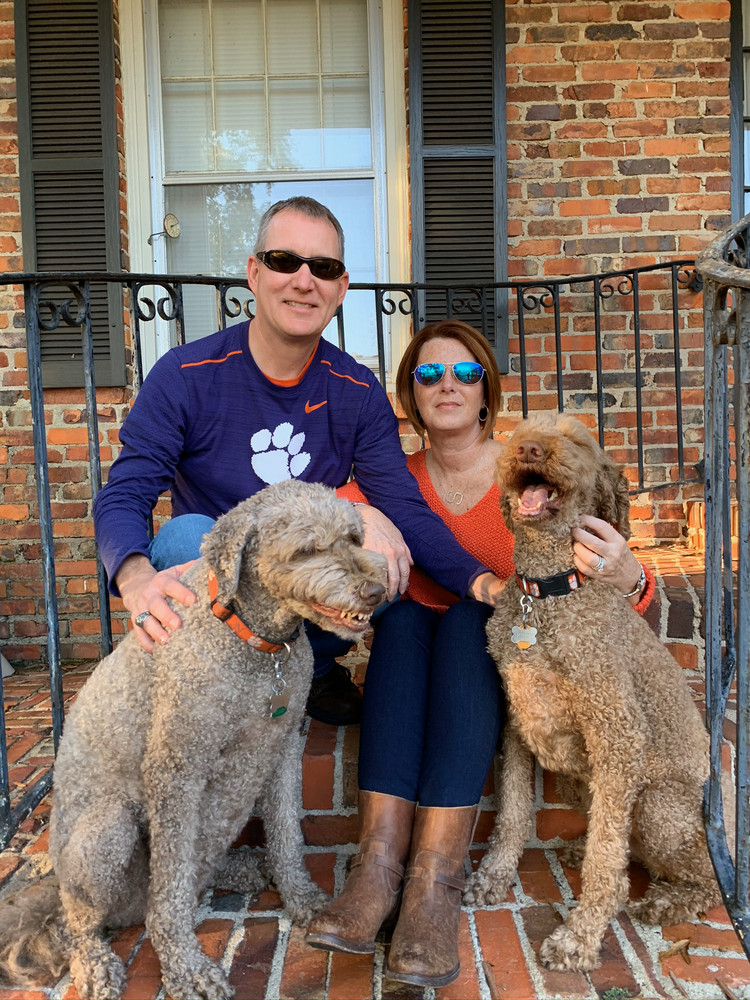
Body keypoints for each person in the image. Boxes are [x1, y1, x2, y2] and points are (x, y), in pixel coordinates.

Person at [305, 319, 654, 987]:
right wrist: (361, 513)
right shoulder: (390, 476)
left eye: (465, 373)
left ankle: (434, 883)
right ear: (409, 395)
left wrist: (631, 576)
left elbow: (619, 584)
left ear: (487, 390)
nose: (448, 386)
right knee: (405, 621)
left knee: (469, 621)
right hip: (411, 660)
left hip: (496, 661)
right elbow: (322, 515)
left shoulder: (530, 472)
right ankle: (377, 869)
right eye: (429, 374)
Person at [92, 197, 506, 725]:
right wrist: (133, 579)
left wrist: (482, 582)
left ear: (341, 288)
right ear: (254, 273)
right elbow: (126, 490)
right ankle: (228, 680)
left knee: (380, 556)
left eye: (324, 268)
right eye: (285, 261)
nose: (304, 281)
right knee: (184, 537)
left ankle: (308, 668)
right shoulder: (185, 374)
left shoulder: (357, 390)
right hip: (225, 580)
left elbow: (405, 507)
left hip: (308, 577)